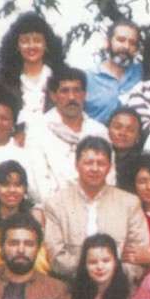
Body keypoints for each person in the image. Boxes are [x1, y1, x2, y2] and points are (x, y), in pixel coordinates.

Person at [42, 136, 150, 283]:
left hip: (119, 286)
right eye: (88, 163)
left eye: (101, 163)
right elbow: (55, 256)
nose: (94, 169)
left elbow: (138, 255)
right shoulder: (56, 203)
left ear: (109, 167)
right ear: (76, 165)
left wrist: (112, 279)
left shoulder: (129, 203)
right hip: (69, 286)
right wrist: (90, 275)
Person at [25, 67, 110, 202]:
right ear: (53, 96)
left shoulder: (99, 131)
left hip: (97, 207)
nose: (71, 97)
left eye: (77, 90)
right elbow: (38, 184)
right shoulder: (38, 130)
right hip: (53, 209)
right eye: (65, 91)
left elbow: (109, 178)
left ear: (84, 95)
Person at [0, 12, 66, 122]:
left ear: (46, 44)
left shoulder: (61, 77)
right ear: (17, 46)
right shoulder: (3, 81)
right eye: (25, 41)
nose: (31, 46)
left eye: (37, 40)